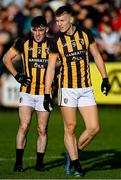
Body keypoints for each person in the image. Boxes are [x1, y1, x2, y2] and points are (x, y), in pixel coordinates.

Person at [43, 6, 111, 177]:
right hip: (67, 89)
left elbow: (96, 55)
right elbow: (51, 69)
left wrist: (105, 78)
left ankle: (73, 153)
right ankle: (75, 163)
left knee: (94, 128)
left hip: (86, 88)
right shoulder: (55, 40)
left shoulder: (85, 33)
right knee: (70, 127)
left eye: (62, 20)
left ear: (71, 19)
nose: (59, 24)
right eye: (57, 21)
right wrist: (46, 93)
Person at [3, 16, 53, 172]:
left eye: (41, 30)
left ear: (47, 30)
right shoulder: (23, 42)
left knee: (42, 129)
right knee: (24, 126)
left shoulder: (53, 44)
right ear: (31, 30)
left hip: (45, 92)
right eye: (35, 30)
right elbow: (6, 59)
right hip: (27, 91)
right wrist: (18, 76)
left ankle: (39, 164)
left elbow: (61, 64)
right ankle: (18, 163)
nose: (37, 33)